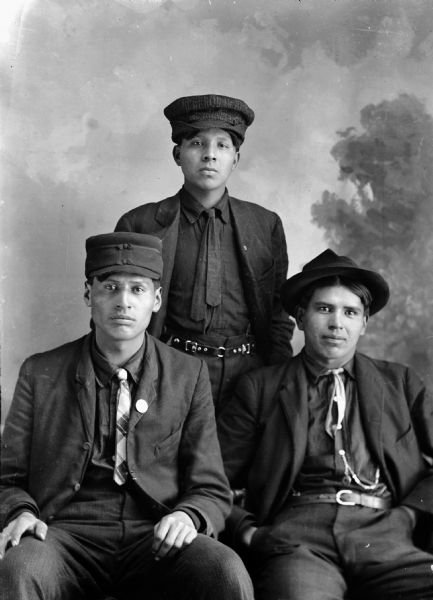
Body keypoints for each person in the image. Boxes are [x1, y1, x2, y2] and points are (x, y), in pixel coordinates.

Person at [0, 232, 253, 600]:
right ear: (89, 294)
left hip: (153, 534)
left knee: (224, 571)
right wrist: (19, 512)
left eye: (137, 290)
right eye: (110, 287)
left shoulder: (187, 374)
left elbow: (210, 486)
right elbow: (7, 477)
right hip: (64, 533)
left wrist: (188, 517)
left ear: (156, 300)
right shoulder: (41, 371)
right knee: (17, 569)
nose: (123, 302)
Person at [217, 249, 433, 600]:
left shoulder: (400, 383)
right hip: (299, 537)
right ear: (301, 317)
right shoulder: (261, 387)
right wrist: (251, 534)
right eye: (324, 309)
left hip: (387, 533)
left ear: (364, 323)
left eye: (350, 312)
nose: (337, 323)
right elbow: (212, 478)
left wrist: (410, 515)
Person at [115, 93, 293, 413]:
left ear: (235, 158)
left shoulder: (265, 225)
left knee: (239, 462)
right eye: (197, 143)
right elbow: (118, 310)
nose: (210, 155)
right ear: (177, 154)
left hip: (249, 378)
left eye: (222, 146)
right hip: (169, 371)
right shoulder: (140, 224)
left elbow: (279, 312)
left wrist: (277, 376)